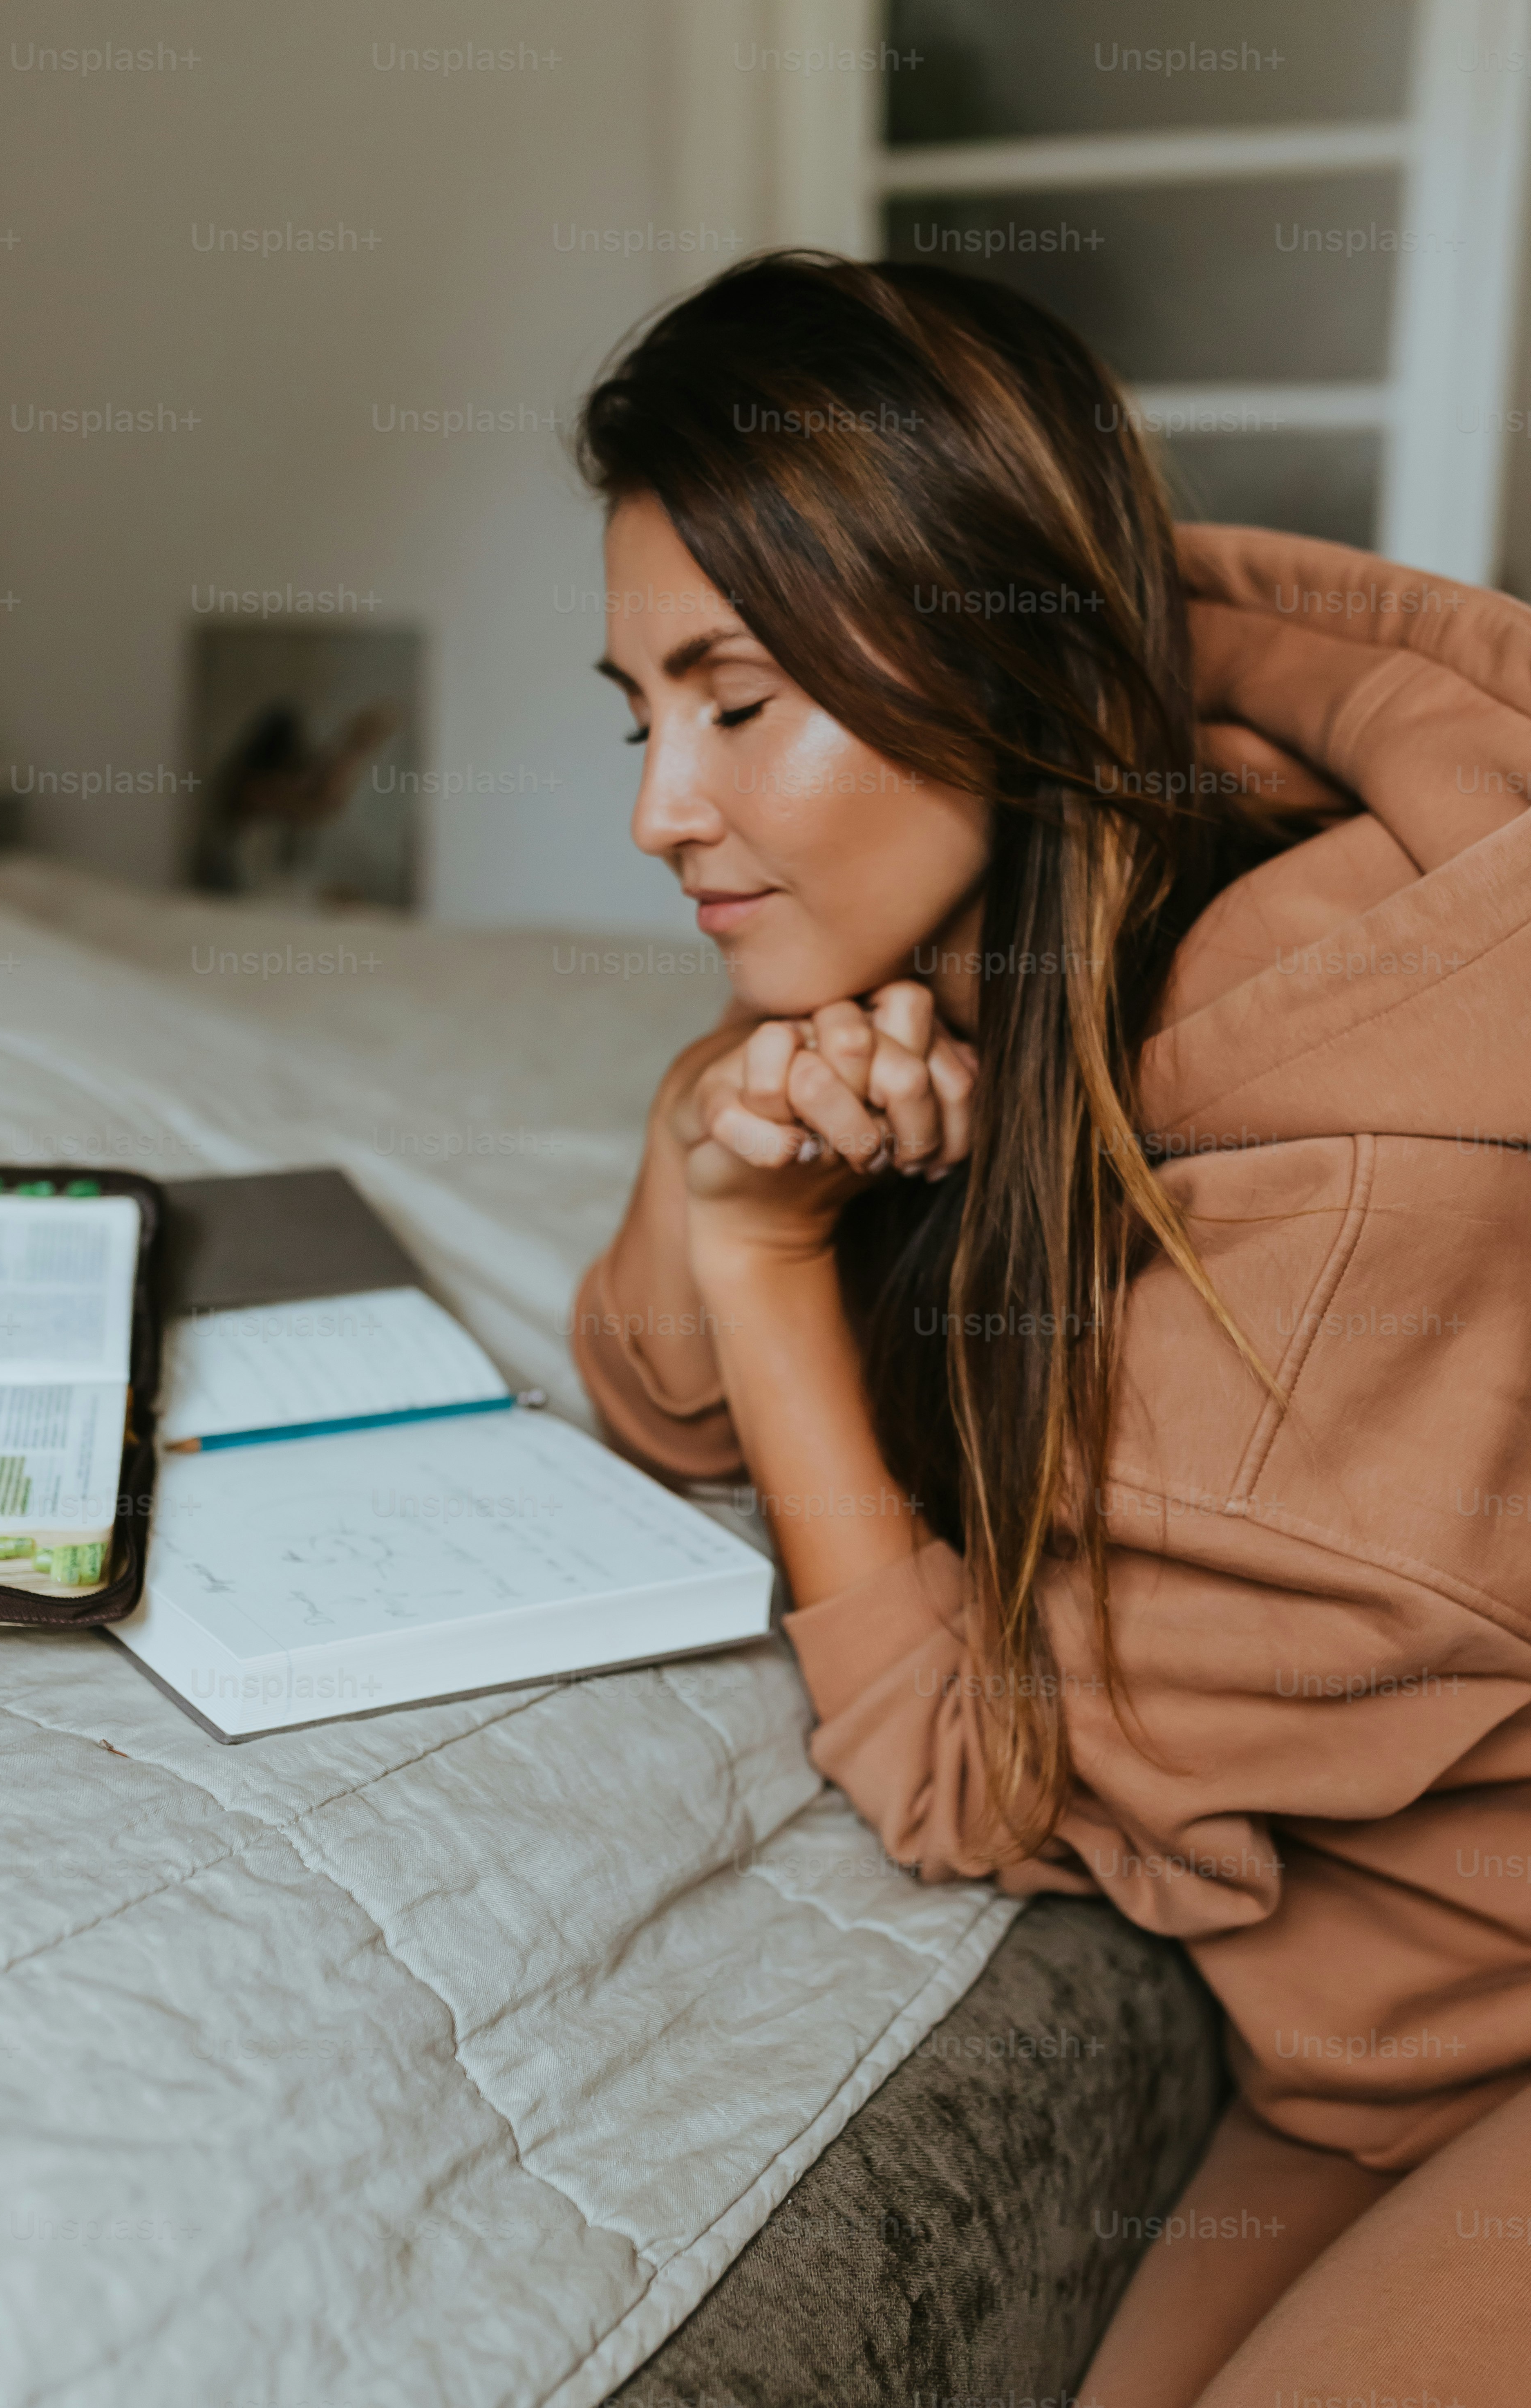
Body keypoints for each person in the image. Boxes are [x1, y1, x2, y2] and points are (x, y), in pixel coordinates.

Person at [569, 252, 1531, 2404]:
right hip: (1375, 2054)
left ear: (986, 654)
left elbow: (969, 1774)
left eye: (737, 702)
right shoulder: (1025, 943)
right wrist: (722, 1106)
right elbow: (656, 1400)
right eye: (640, 715)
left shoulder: (1363, 1161)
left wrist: (766, 1253)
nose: (658, 810)